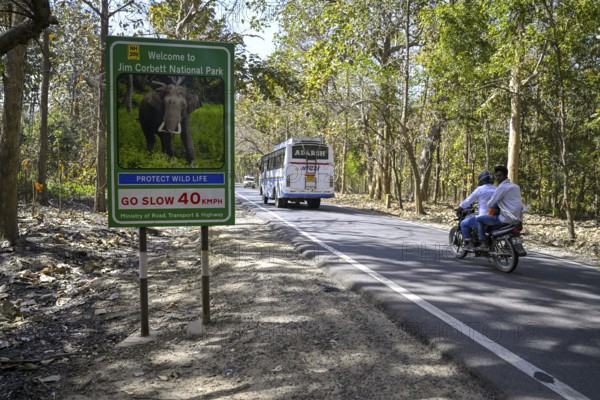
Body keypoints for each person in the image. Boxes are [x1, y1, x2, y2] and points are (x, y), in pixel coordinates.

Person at [476, 165, 523, 251]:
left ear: (505, 176)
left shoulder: (501, 187)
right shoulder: (516, 186)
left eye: (499, 176)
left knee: (479, 220)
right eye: (496, 176)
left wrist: (486, 206)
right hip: (518, 219)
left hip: (505, 219)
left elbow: (491, 203)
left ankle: (483, 244)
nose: (497, 178)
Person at [454, 170, 496, 250]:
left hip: (484, 216)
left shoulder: (480, 189)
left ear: (481, 179)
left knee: (463, 223)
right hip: (495, 216)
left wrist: (459, 207)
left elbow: (469, 200)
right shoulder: (497, 189)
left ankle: (469, 244)